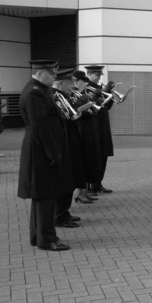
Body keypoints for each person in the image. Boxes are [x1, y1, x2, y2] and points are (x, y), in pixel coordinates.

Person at [18, 60, 74, 251]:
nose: (54, 77)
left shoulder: (39, 90)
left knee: (42, 196)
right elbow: (40, 127)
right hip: (42, 152)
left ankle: (38, 236)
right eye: (51, 74)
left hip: (41, 150)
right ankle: (48, 239)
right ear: (40, 74)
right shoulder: (35, 93)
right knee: (46, 196)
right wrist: (53, 153)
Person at [51, 68, 85, 228]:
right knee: (64, 181)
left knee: (70, 179)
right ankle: (59, 214)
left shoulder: (64, 95)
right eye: (70, 82)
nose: (73, 85)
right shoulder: (55, 96)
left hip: (71, 140)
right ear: (62, 82)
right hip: (65, 142)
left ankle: (64, 211)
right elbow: (64, 118)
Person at [72, 71, 101, 204]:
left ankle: (84, 191)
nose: (84, 84)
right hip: (81, 131)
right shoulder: (72, 94)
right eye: (82, 82)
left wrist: (93, 100)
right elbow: (74, 110)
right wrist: (80, 94)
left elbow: (94, 110)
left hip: (89, 131)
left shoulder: (82, 94)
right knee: (82, 162)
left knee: (88, 161)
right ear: (76, 82)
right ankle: (79, 192)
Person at [85, 65, 114, 194]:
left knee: (103, 155)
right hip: (94, 125)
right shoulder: (86, 88)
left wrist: (110, 95)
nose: (98, 78)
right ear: (89, 74)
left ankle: (98, 183)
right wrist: (101, 93)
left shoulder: (100, 88)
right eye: (96, 75)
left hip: (103, 124)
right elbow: (90, 104)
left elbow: (106, 106)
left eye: (99, 75)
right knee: (93, 156)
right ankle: (88, 185)